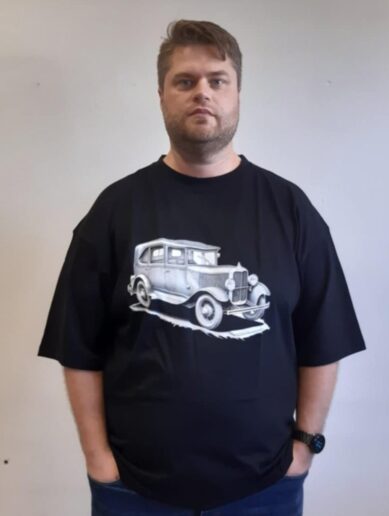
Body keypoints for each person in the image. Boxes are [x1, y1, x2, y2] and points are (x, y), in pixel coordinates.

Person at [38, 19, 366, 516]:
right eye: (185, 81)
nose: (202, 93)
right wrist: (98, 459)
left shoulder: (290, 208)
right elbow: (78, 344)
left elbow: (323, 336)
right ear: (161, 95)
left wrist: (305, 445)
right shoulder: (116, 209)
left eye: (218, 80)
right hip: (135, 488)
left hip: (264, 486)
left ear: (237, 93)